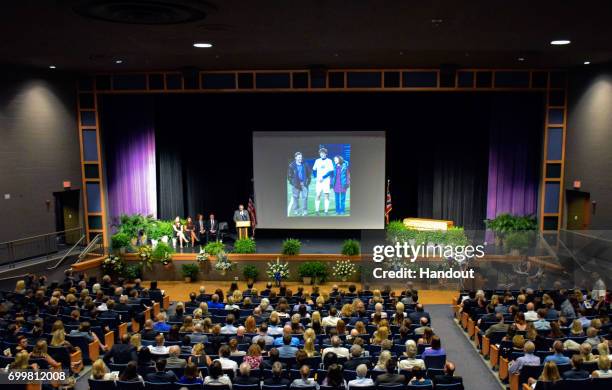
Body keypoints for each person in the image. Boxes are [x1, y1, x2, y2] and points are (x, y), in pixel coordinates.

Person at [287, 151, 312, 216]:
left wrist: (308, 181)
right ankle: (296, 210)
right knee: (295, 197)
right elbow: (289, 176)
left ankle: (305, 210)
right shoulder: (291, 165)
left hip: (304, 183)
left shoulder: (305, 164)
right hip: (296, 184)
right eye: (298, 157)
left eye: (301, 157)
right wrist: (293, 183)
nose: (300, 158)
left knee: (305, 197)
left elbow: (309, 174)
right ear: (295, 158)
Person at [312, 147, 334, 215]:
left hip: (326, 181)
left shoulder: (329, 161)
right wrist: (316, 177)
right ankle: (317, 211)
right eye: (321, 153)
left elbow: (331, 171)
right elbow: (314, 169)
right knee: (318, 195)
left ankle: (326, 211)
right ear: (319, 154)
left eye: (323, 153)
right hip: (319, 181)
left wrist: (323, 177)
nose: (322, 154)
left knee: (326, 195)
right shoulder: (317, 161)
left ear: (326, 154)